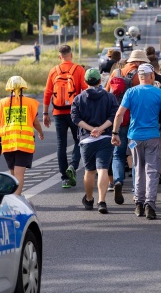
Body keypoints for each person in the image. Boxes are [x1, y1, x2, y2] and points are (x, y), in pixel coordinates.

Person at [112, 63, 161, 220]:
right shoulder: (160, 93)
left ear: (139, 77)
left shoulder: (130, 92)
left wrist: (115, 133)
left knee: (138, 168)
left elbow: (119, 114)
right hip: (152, 136)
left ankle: (138, 203)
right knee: (152, 171)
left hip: (134, 137)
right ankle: (150, 205)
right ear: (151, 76)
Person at [0, 76, 44, 195]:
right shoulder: (30, 103)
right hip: (24, 143)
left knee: (13, 173)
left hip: (7, 143)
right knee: (19, 174)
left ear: (9, 88)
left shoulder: (1, 104)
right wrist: (40, 132)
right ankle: (16, 199)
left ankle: (15, 195)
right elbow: (35, 122)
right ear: (23, 87)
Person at [71, 69, 119, 214]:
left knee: (89, 171)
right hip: (105, 138)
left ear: (85, 82)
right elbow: (114, 115)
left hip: (87, 139)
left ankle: (90, 198)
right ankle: (102, 201)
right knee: (103, 168)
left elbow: (75, 118)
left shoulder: (79, 98)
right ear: (100, 81)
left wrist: (92, 129)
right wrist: (100, 129)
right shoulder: (109, 97)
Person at [105, 49, 150, 203]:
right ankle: (136, 188)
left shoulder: (116, 72)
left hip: (118, 119)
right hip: (134, 120)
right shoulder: (139, 75)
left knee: (117, 154)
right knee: (136, 155)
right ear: (139, 62)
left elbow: (106, 93)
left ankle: (117, 181)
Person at [44, 45, 88, 188]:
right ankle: (73, 166)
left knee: (61, 144)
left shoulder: (53, 71)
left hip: (58, 112)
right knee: (79, 140)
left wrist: (45, 113)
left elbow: (47, 93)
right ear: (71, 55)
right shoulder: (78, 69)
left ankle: (65, 178)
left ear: (59, 56)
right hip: (74, 112)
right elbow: (85, 91)